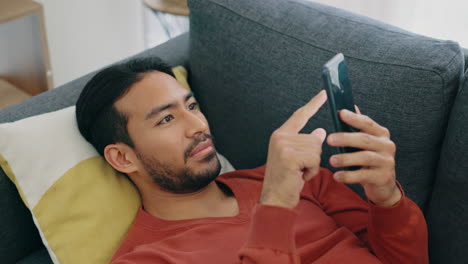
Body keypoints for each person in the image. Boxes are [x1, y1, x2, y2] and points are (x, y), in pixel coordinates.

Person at [75, 57, 428, 263]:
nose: (197, 126)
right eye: (166, 119)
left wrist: (386, 199)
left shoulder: (300, 177)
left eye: (193, 106)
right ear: (122, 157)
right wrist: (276, 205)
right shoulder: (149, 258)